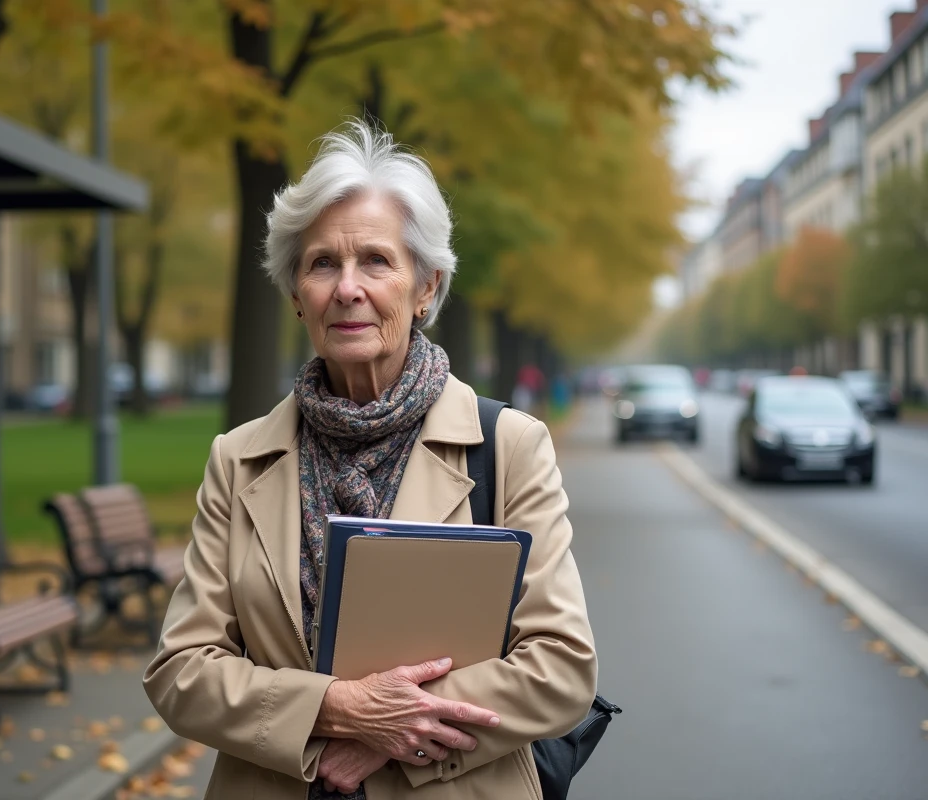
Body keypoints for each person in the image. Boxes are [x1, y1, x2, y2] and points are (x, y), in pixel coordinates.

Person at [143, 121, 597, 799]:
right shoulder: (238, 460)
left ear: (425, 287)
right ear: (296, 294)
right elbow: (181, 670)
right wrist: (336, 713)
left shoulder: (508, 445)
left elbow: (560, 669)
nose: (347, 287)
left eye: (376, 261)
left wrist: (394, 734)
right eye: (322, 262)